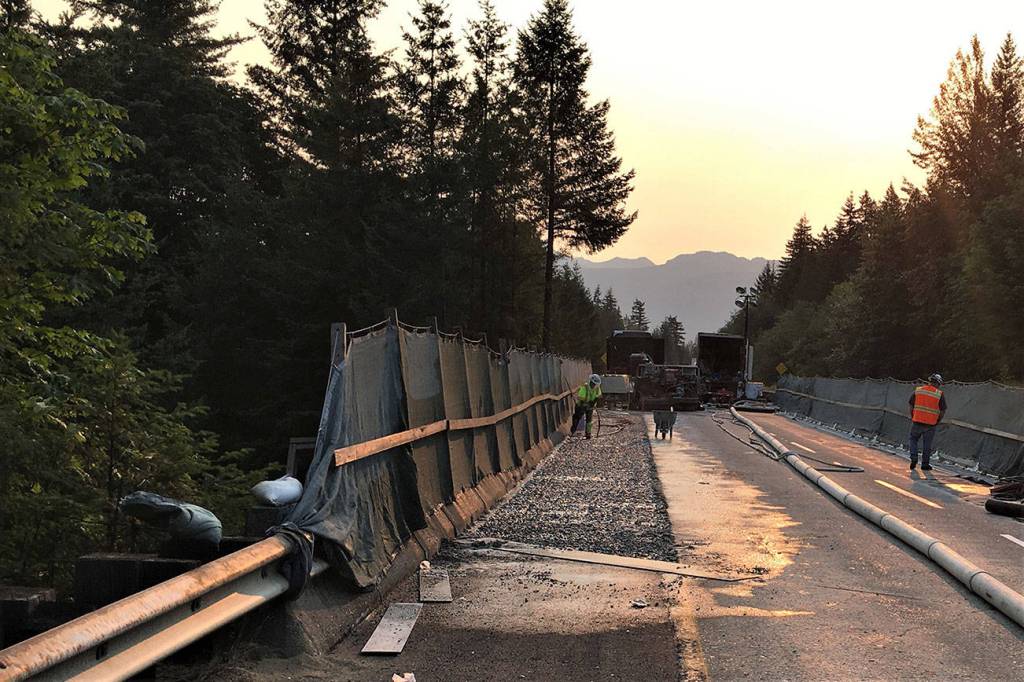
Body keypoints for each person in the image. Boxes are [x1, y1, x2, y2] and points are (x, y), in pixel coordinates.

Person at [908, 373, 946, 471]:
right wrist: (938, 420)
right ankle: (925, 464)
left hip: (917, 421)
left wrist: (913, 416)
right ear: (938, 383)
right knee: (927, 444)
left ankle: (914, 458)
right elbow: (942, 410)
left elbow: (911, 405)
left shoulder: (918, 390)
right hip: (930, 423)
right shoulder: (939, 394)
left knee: (913, 440)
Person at [572, 374, 602, 439]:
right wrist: (586, 404)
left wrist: (593, 402)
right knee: (577, 417)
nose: (593, 385)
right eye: (593, 383)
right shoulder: (584, 387)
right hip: (581, 405)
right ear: (590, 382)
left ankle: (588, 434)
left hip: (590, 405)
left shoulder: (597, 388)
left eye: (595, 384)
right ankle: (573, 431)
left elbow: (599, 396)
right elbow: (580, 397)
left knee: (589, 420)